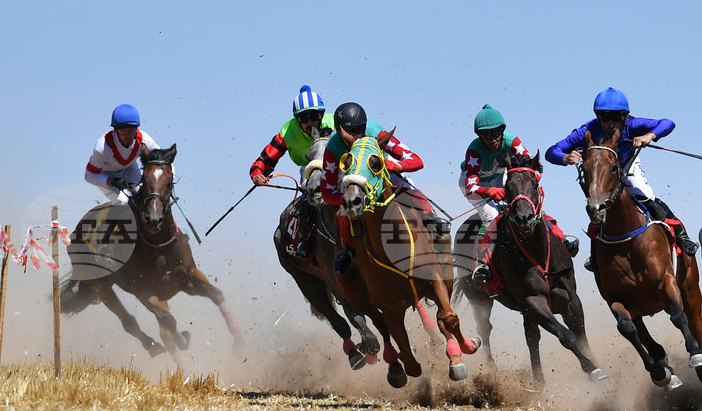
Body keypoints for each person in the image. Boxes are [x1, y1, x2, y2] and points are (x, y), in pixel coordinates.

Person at [546, 87, 698, 271]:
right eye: (605, 117)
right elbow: (551, 151)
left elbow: (668, 123)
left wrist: (649, 135)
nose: (611, 123)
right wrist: (565, 158)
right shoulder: (585, 131)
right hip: (602, 174)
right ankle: (596, 255)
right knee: (596, 206)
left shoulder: (632, 125)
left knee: (646, 198)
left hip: (626, 167)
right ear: (597, 116)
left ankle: (681, 236)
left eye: (616, 117)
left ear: (625, 116)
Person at [459, 104, 579, 285]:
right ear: (479, 136)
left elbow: (534, 166)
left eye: (496, 133)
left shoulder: (512, 141)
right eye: (486, 135)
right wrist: (489, 191)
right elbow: (470, 186)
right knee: (492, 215)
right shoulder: (474, 150)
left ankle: (560, 240)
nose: (492, 139)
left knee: (528, 205)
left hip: (502, 179)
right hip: (476, 186)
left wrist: (532, 183)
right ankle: (483, 264)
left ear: (503, 130)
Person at [320, 101, 443, 273]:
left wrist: (395, 166)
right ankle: (346, 251)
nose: (356, 136)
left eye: (360, 130)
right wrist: (348, 199)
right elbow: (327, 192)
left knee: (408, 187)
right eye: (350, 132)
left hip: (382, 176)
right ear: (338, 131)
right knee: (342, 213)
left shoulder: (376, 132)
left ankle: (432, 220)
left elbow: (417, 161)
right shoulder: (332, 146)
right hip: (355, 185)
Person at [248, 85, 335, 258]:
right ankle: (303, 239)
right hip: (309, 167)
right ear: (296, 119)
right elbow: (264, 159)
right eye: (304, 118)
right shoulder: (287, 132)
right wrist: (257, 173)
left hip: (336, 163)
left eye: (314, 116)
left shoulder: (336, 123)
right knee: (310, 190)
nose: (310, 123)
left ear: (322, 115)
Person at [85, 104, 162, 203]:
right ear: (116, 130)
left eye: (132, 130)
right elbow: (89, 175)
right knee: (123, 201)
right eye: (123, 130)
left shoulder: (145, 141)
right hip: (106, 175)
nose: (128, 135)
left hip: (130, 169)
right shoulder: (102, 147)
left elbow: (163, 161)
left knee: (145, 196)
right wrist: (110, 181)